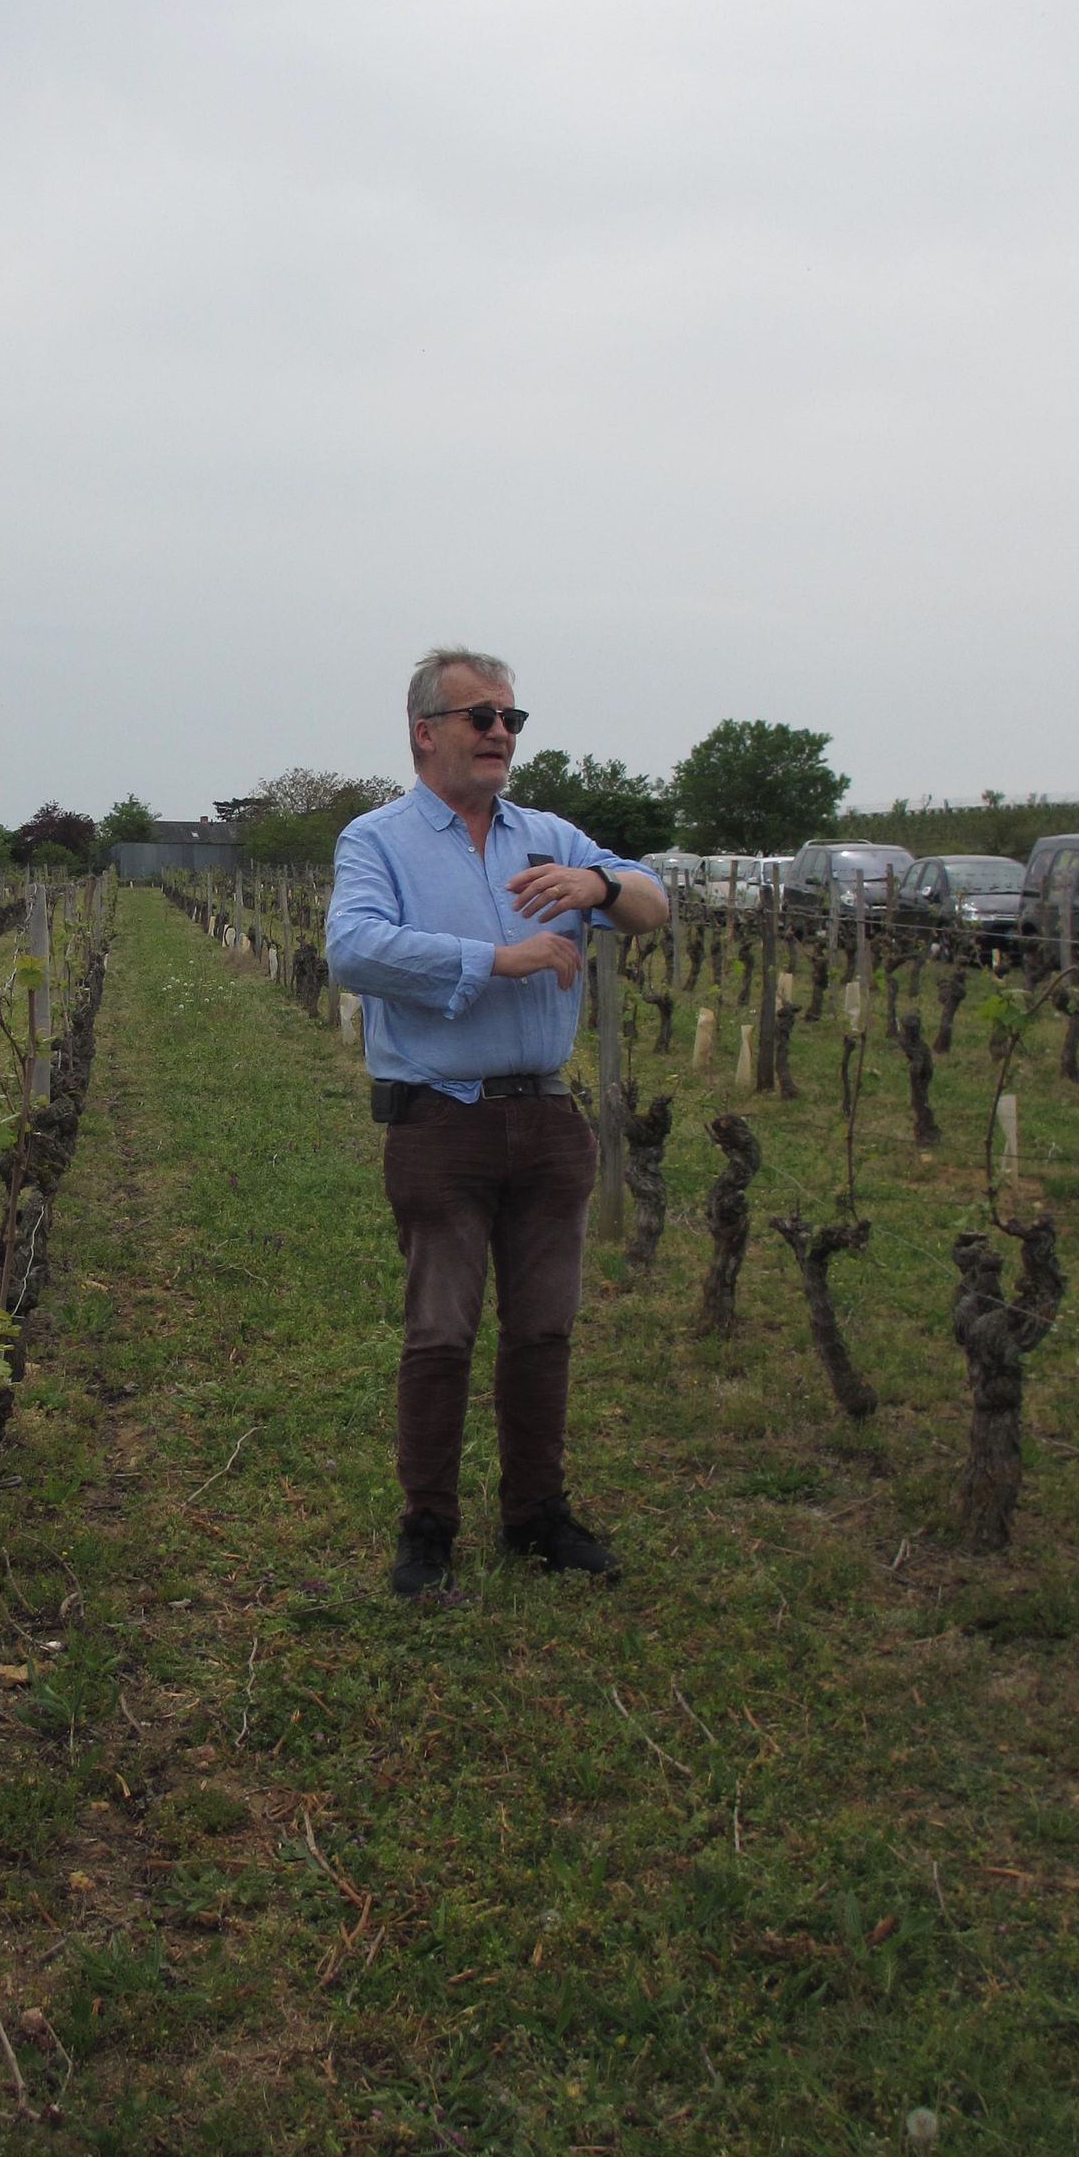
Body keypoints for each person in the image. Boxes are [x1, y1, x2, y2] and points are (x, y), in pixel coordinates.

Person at [325, 648, 669, 1597]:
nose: (500, 736)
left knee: (544, 1330)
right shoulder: (377, 840)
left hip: (549, 1121)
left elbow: (653, 900)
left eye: (513, 720)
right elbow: (352, 949)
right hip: (441, 1122)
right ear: (424, 731)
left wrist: (599, 888)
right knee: (440, 1331)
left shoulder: (548, 834)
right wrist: (496, 960)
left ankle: (536, 1515)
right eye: (481, 718)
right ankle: (428, 1527)